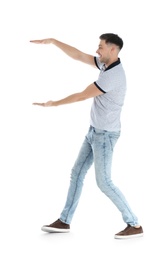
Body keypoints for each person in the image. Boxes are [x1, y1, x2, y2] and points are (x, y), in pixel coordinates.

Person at [30, 33, 143, 239]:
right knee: (77, 173)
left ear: (113, 49)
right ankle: (64, 221)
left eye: (100, 47)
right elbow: (80, 56)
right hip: (94, 132)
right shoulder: (106, 65)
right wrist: (54, 41)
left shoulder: (113, 76)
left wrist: (52, 103)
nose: (97, 50)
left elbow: (82, 95)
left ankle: (134, 224)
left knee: (104, 182)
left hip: (105, 136)